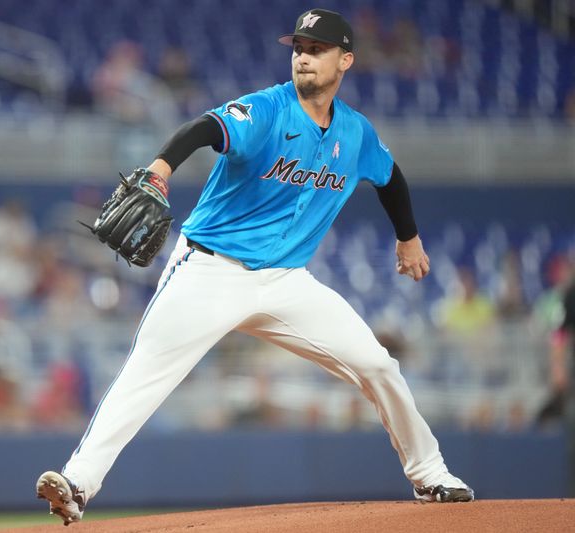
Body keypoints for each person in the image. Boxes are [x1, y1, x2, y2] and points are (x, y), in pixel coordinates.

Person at [36, 9, 474, 525]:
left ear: (346, 60)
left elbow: (390, 177)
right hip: (209, 270)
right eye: (298, 48)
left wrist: (409, 239)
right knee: (147, 373)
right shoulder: (267, 109)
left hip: (285, 281)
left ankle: (431, 475)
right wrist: (159, 169)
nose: (304, 57)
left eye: (317, 49)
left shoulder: (354, 133)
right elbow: (204, 128)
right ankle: (78, 482)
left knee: (377, 364)